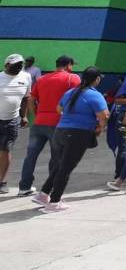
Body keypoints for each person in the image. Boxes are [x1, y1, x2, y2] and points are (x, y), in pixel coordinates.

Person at [33, 66, 108, 212]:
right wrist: (100, 127)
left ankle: (43, 195)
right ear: (97, 79)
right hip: (78, 134)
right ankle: (54, 202)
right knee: (66, 168)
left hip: (60, 131)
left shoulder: (70, 92)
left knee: (61, 164)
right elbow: (103, 116)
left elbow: (59, 109)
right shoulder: (95, 95)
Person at [17, 55, 78, 197]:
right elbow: (78, 97)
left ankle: (24, 187)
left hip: (39, 122)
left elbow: (32, 99)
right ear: (68, 65)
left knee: (30, 156)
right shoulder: (72, 78)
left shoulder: (42, 79)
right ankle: (51, 189)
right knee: (57, 157)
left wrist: (37, 114)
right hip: (58, 123)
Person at [0, 54, 32, 194]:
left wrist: (24, 116)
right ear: (6, 65)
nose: (18, 68)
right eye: (15, 65)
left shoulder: (26, 77)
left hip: (12, 120)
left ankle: (2, 182)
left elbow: (26, 98)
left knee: (5, 150)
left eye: (21, 65)